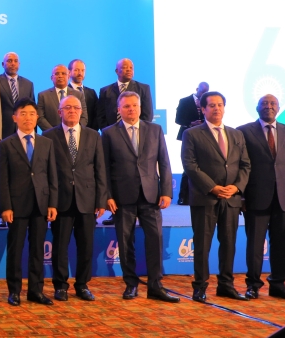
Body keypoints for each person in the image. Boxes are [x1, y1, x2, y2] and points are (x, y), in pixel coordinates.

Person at [103, 91, 179, 303]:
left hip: (151, 196)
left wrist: (166, 191)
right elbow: (104, 169)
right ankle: (131, 284)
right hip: (122, 197)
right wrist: (107, 195)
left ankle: (155, 285)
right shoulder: (108, 133)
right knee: (126, 244)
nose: (131, 109)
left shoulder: (155, 129)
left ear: (140, 107)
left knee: (155, 240)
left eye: (134, 105)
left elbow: (164, 162)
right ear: (119, 109)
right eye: (126, 106)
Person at [181, 91, 250, 303]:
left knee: (229, 243)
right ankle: (200, 287)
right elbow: (190, 165)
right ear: (203, 109)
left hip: (231, 199)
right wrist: (213, 187)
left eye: (220, 105)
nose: (216, 108)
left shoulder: (236, 134)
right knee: (203, 245)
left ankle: (226, 285)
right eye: (211, 105)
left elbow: (245, 165)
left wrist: (236, 188)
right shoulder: (192, 134)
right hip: (206, 198)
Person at [238, 94, 285, 300]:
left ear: (278, 108)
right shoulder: (243, 131)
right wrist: (241, 196)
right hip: (255, 197)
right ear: (257, 107)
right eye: (264, 103)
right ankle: (253, 285)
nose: (269, 106)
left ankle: (278, 284)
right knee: (255, 245)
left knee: (282, 244)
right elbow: (240, 166)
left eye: (272, 104)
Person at [43, 95, 107, 301]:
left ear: (81, 111)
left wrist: (101, 200)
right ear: (59, 112)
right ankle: (60, 286)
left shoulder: (93, 136)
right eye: (67, 107)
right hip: (60, 200)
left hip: (87, 199)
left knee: (86, 245)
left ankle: (82, 284)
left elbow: (100, 169)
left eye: (76, 108)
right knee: (60, 246)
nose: (72, 111)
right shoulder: (48, 136)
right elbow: (45, 171)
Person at [0, 98, 57, 306]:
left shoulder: (47, 143)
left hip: (41, 204)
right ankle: (14, 291)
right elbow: (1, 179)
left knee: (38, 250)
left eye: (31, 113)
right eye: (23, 113)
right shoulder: (6, 145)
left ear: (37, 117)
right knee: (15, 250)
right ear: (15, 118)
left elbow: (52, 176)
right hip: (16, 206)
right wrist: (5, 207)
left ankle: (36, 291)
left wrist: (52, 204)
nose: (27, 118)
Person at [175, 82, 209, 204]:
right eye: (202, 91)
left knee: (202, 165)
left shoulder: (208, 102)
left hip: (204, 136)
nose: (203, 94)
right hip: (187, 135)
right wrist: (191, 123)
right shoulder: (184, 101)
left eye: (206, 92)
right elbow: (178, 119)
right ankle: (183, 197)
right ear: (197, 89)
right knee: (188, 165)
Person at [96, 58, 153, 128]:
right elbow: (101, 116)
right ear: (116, 71)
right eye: (125, 67)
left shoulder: (143, 89)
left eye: (131, 68)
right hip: (112, 133)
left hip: (136, 132)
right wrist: (108, 132)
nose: (129, 69)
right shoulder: (105, 91)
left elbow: (148, 115)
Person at [0, 52, 35, 141]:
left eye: (15, 61)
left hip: (23, 130)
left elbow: (32, 110)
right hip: (2, 131)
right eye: (9, 61)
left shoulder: (28, 84)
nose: (13, 63)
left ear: (19, 64)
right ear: (3, 64)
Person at [36, 64, 87, 131]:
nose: (60, 76)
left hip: (74, 134)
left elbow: (84, 117)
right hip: (51, 136)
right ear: (51, 78)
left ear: (68, 76)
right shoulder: (43, 95)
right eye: (57, 74)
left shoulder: (78, 95)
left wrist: (74, 130)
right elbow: (40, 117)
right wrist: (53, 132)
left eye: (63, 73)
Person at [68, 59, 99, 132]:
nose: (80, 73)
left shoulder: (92, 92)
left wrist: (91, 131)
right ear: (69, 72)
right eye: (76, 70)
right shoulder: (65, 92)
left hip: (90, 133)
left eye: (82, 70)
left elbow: (97, 115)